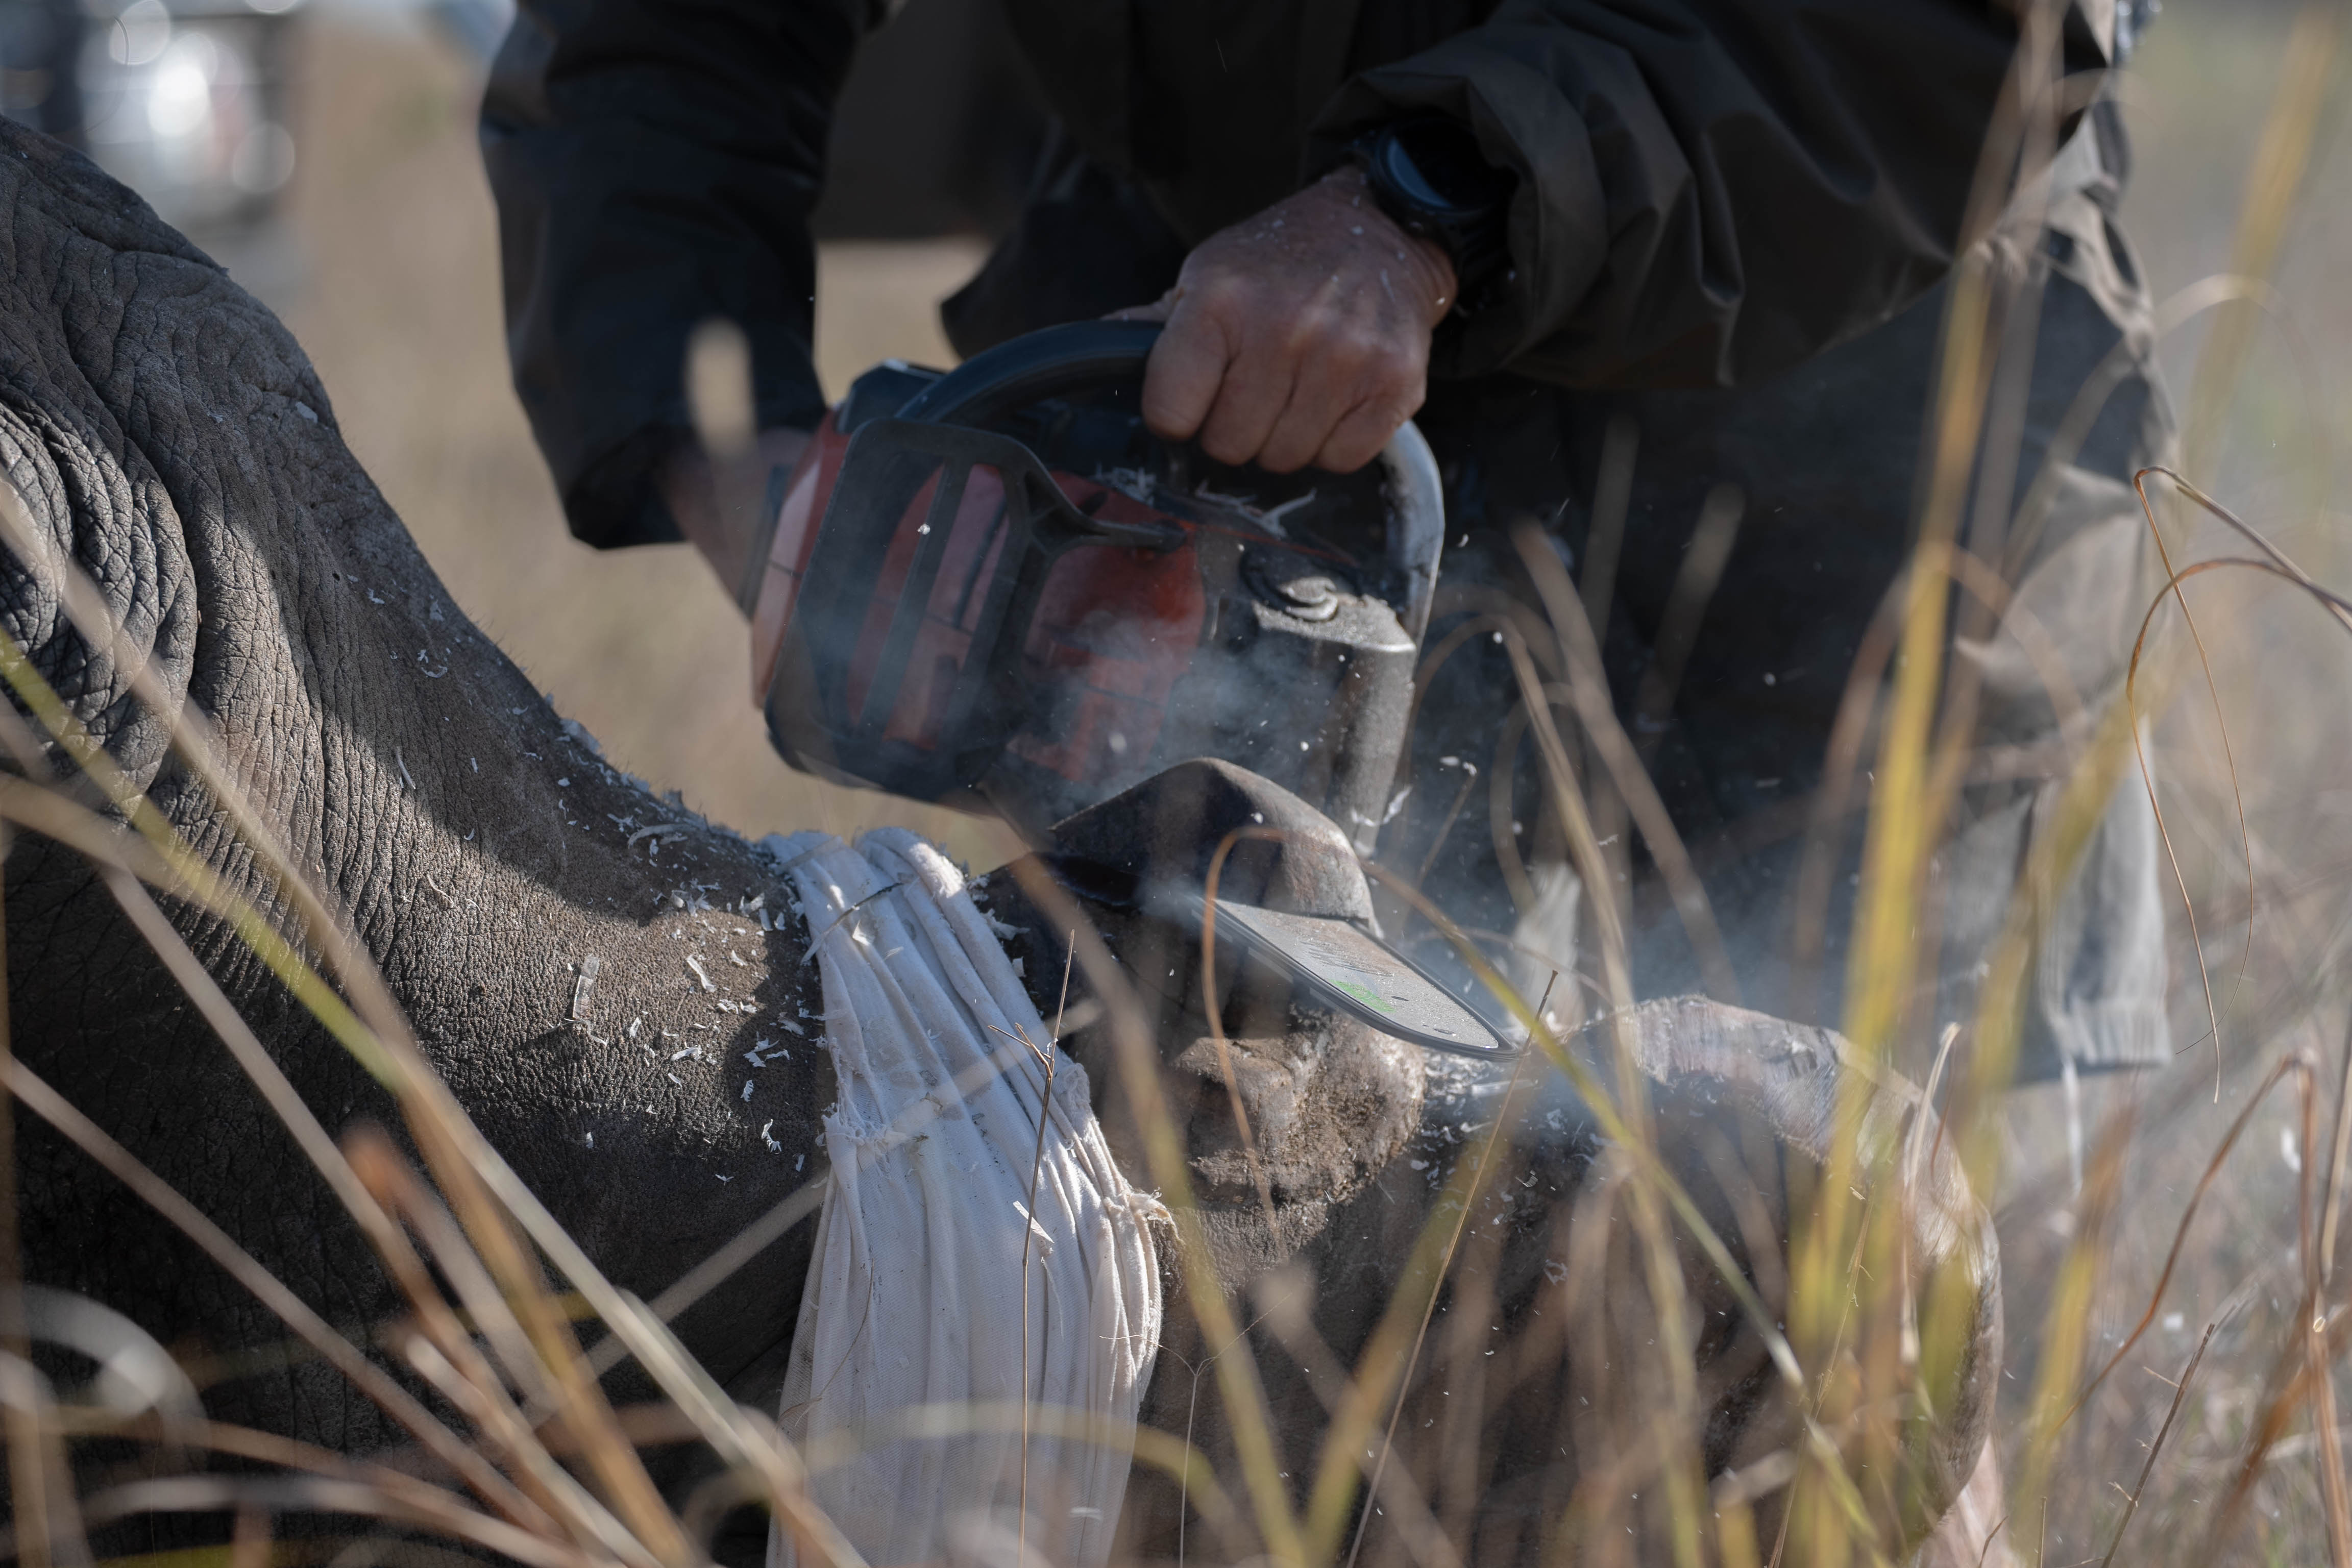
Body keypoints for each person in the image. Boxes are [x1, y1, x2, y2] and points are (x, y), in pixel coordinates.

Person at [480, 0, 2171, 1082]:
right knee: (1263, 1307)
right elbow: (658, 41)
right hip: (1260, 498)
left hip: (1851, 476)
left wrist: (1429, 206)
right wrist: (733, 454)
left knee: (1815, 1335)